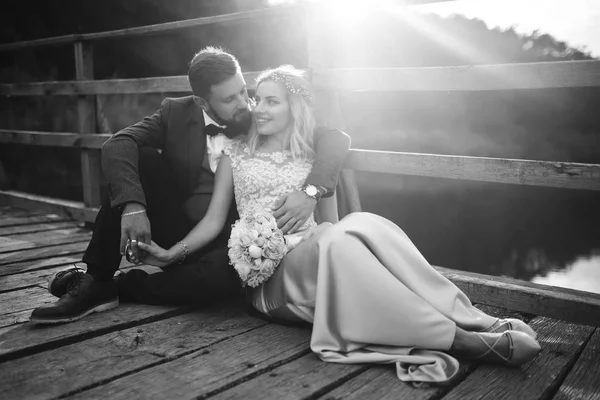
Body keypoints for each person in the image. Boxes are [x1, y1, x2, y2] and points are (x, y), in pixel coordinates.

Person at [133, 65, 542, 385]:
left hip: (320, 256)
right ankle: (462, 341)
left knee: (363, 223)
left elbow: (329, 224)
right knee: (338, 243)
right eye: (257, 99)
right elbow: (212, 223)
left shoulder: (312, 158)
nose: (259, 108)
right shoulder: (234, 157)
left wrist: (315, 201)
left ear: (294, 108)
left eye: (271, 101)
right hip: (272, 278)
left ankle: (470, 316)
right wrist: (171, 254)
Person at [29, 47, 351, 324]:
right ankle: (95, 279)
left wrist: (311, 191)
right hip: (179, 220)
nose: (245, 103)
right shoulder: (175, 112)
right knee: (142, 159)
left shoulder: (260, 115)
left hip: (229, 238)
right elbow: (118, 143)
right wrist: (133, 206)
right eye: (230, 98)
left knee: (214, 287)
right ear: (202, 100)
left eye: (244, 91)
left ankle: (121, 285)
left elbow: (334, 139)